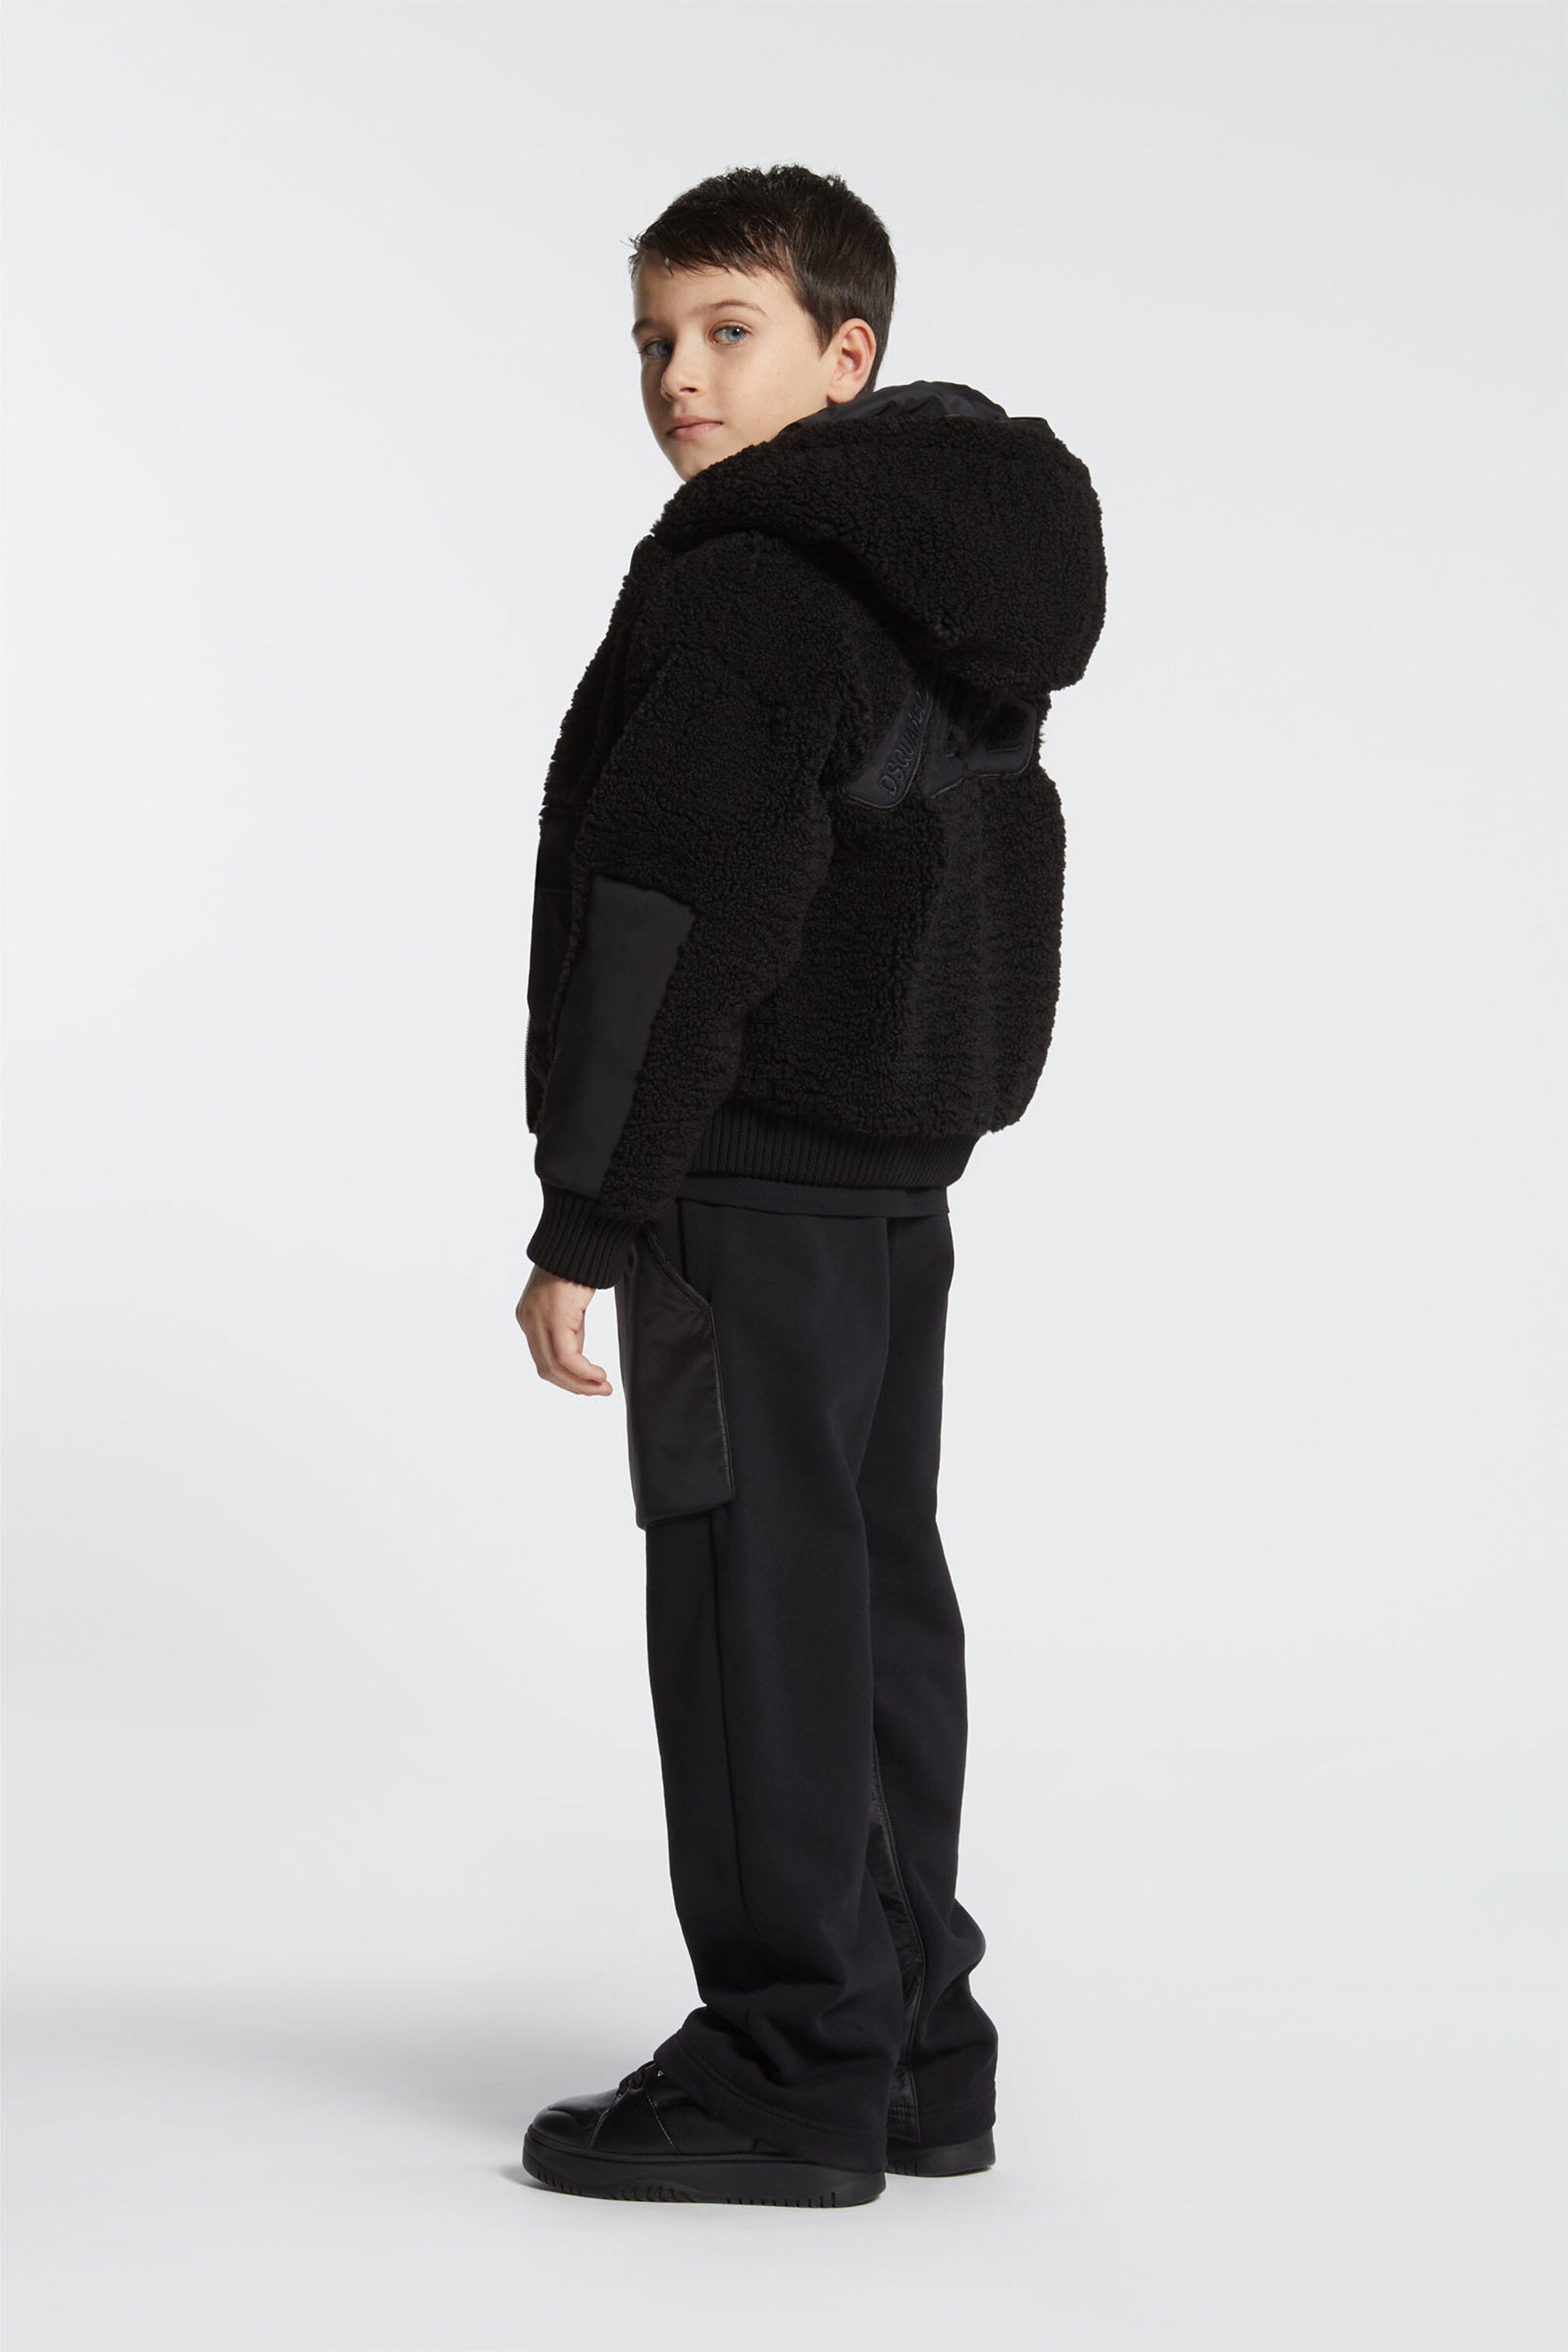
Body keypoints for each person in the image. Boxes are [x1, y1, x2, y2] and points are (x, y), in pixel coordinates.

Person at [514, 162, 1106, 2208]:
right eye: (654, 339)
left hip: (741, 1183)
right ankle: (915, 2044)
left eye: (728, 332)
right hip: (887, 1186)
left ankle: (788, 2064)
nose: (678, 377)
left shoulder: (752, 582)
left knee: (752, 1604)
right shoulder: (947, 581)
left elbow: (671, 918)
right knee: (863, 1591)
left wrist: (589, 1217)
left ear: (846, 355)